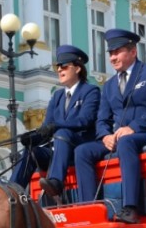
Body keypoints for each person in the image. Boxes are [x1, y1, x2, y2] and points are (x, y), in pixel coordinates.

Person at [74, 28, 146, 224]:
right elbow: (102, 119)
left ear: (133, 52)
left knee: (126, 141)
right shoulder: (109, 85)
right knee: (82, 151)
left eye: (117, 52)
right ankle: (89, 208)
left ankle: (130, 207)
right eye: (110, 53)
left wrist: (133, 127)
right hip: (118, 138)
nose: (112, 58)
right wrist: (104, 136)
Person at [11, 44, 100, 200]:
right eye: (58, 66)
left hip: (78, 149)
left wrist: (57, 126)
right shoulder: (57, 96)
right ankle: (12, 191)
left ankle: (56, 182)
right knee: (31, 150)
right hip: (56, 151)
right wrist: (33, 137)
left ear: (77, 68)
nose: (59, 70)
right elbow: (47, 128)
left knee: (62, 132)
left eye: (64, 66)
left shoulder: (90, 91)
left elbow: (85, 120)